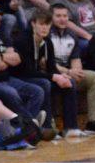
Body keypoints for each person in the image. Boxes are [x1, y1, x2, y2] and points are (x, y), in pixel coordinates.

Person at [12, 8, 89, 137]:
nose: (44, 28)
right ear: (33, 24)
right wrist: (53, 76)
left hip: (36, 76)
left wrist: (61, 76)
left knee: (69, 82)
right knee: (45, 83)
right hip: (20, 77)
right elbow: (27, 71)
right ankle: (47, 127)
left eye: (47, 24)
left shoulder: (47, 41)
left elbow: (51, 66)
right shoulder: (23, 40)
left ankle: (71, 128)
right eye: (41, 24)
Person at [0, 3, 44, 123]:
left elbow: (18, 58)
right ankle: (30, 125)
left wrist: (0, 57)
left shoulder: (0, 36)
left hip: (6, 78)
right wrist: (6, 59)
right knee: (11, 93)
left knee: (37, 91)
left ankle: (23, 126)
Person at [49, 2, 95, 133]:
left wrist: (76, 72)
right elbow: (46, 63)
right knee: (70, 81)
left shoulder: (72, 35)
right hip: (52, 73)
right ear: (51, 18)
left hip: (69, 72)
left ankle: (94, 122)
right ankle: (65, 127)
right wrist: (68, 72)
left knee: (94, 77)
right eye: (58, 16)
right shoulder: (47, 34)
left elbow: (76, 59)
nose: (62, 19)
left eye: (65, 16)